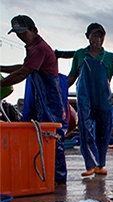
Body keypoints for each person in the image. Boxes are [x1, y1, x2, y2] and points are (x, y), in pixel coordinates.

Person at [0, 15, 68, 184]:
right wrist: (1, 68)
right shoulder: (33, 49)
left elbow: (23, 73)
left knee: (53, 137)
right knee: (40, 136)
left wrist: (0, 84)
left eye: (23, 32)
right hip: (40, 98)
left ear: (34, 30)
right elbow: (23, 67)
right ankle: (47, 176)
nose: (21, 36)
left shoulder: (40, 49)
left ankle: (58, 179)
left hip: (50, 99)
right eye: (17, 33)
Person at [67, 22, 113, 177]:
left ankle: (100, 165)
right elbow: (72, 77)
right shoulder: (79, 55)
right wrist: (60, 88)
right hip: (85, 99)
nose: (97, 39)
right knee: (85, 130)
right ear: (87, 36)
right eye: (94, 36)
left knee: (104, 132)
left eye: (100, 36)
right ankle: (90, 164)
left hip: (105, 100)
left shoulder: (111, 57)